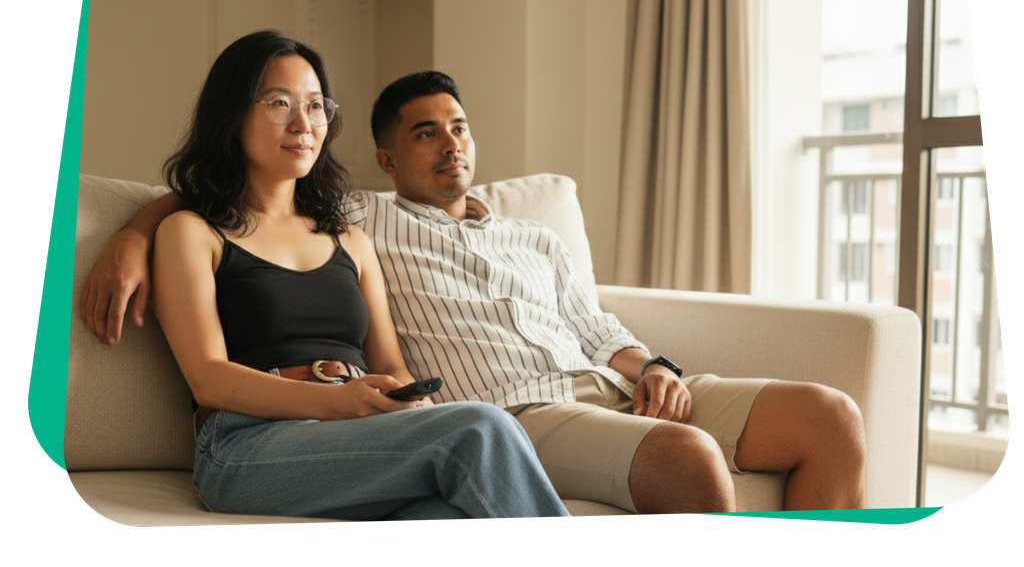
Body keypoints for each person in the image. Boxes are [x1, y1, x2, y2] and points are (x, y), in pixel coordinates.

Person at [82, 66, 867, 515]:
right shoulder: (365, 218)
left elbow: (591, 321)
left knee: (831, 416)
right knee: (512, 434)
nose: (450, 141)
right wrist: (134, 228)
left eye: (457, 125)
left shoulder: (524, 233)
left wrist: (647, 361)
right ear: (385, 159)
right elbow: (233, 201)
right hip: (510, 409)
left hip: (595, 384)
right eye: (425, 131)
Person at [125, 32, 569, 521]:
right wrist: (337, 402)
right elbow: (208, 378)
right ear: (232, 115)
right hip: (248, 444)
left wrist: (404, 405)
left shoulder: (351, 238)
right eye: (279, 103)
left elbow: (391, 364)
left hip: (357, 430)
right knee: (483, 427)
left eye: (316, 106)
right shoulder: (191, 232)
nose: (303, 124)